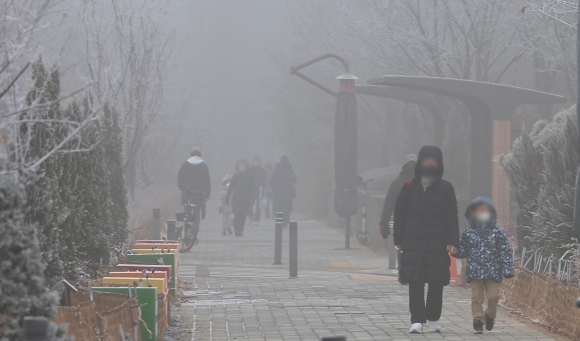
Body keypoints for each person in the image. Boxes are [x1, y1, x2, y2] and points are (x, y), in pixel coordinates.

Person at [393, 145, 459, 334]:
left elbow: (451, 217)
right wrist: (398, 239)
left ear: (439, 164)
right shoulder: (409, 187)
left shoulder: (446, 188)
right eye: (426, 160)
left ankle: (433, 319)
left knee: (436, 282)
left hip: (437, 244)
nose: (429, 164)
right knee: (415, 282)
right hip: (414, 243)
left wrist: (453, 241)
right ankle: (416, 320)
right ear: (420, 163)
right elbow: (400, 213)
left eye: (433, 161)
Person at [452, 197, 514, 334]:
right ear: (472, 214)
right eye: (478, 211)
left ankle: (490, 315)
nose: (482, 214)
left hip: (493, 271)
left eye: (485, 211)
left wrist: (508, 268)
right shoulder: (469, 232)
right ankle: (478, 320)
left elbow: (505, 251)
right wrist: (455, 251)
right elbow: (464, 251)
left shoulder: (498, 232)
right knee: (476, 297)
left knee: (493, 296)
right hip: (475, 271)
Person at [379, 154, 417, 284]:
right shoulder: (424, 181)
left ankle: (404, 274)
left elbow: (389, 203)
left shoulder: (397, 182)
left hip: (402, 223)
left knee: (403, 248)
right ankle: (416, 273)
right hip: (419, 222)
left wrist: (384, 223)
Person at [177, 147, 211, 245]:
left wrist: (183, 189)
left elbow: (179, 178)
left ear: (191, 154)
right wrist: (207, 195)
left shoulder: (185, 164)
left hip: (186, 194)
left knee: (186, 215)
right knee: (196, 216)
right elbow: (207, 182)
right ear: (200, 155)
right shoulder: (203, 166)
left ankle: (185, 235)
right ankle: (193, 236)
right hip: (198, 195)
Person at [226, 159, 256, 237]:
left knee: (243, 216)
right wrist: (227, 198)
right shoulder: (236, 176)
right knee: (237, 214)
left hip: (246, 199)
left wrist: (253, 198)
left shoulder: (250, 176)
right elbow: (231, 188)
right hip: (236, 198)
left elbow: (253, 188)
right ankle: (237, 230)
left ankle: (240, 230)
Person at [271, 155, 297, 226]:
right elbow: (295, 179)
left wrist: (275, 188)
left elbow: (272, 180)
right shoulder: (290, 170)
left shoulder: (277, 169)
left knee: (279, 207)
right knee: (287, 208)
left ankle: (279, 222)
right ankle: (285, 221)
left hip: (279, 192)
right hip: (287, 192)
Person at [248, 156, 267, 225]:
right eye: (254, 161)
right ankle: (250, 217)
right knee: (249, 204)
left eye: (257, 161)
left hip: (259, 188)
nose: (256, 162)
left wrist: (263, 188)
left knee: (258, 205)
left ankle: (257, 219)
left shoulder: (262, 171)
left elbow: (265, 180)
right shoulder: (249, 170)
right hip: (250, 189)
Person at [218, 170, 235, 236]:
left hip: (231, 209)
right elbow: (220, 199)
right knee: (223, 221)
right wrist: (220, 207)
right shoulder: (222, 192)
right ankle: (223, 231)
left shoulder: (233, 191)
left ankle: (228, 227)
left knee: (232, 218)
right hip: (224, 209)